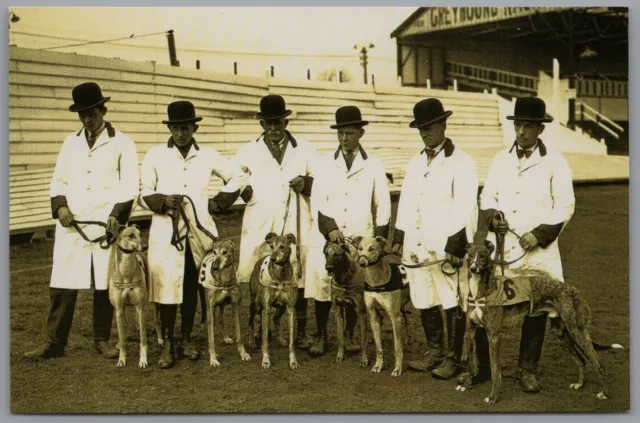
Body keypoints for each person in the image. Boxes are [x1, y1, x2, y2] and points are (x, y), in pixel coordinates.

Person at [24, 82, 139, 360]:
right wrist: (60, 205)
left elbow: (130, 184)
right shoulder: (70, 142)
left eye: (92, 112)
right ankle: (54, 342)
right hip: (71, 226)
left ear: (103, 109)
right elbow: (58, 180)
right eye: (82, 114)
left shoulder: (122, 142)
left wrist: (116, 215)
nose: (88, 119)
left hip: (104, 224)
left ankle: (102, 339)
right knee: (63, 282)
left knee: (104, 283)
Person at [472, 96, 575, 392]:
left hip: (537, 251)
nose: (521, 132)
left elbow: (566, 205)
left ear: (540, 129)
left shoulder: (555, 162)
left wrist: (539, 234)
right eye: (518, 125)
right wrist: (495, 218)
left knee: (535, 308)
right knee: (490, 304)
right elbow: (487, 197)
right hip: (502, 249)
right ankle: (484, 368)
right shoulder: (500, 159)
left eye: (528, 126)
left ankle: (527, 369)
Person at [139, 101, 248, 369]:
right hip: (166, 232)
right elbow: (142, 192)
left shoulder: (208, 155)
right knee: (165, 286)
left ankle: (187, 338)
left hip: (199, 233)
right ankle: (168, 344)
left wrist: (217, 202)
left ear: (193, 127)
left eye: (185, 128)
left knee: (191, 285)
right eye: (175, 128)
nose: (180, 133)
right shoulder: (155, 155)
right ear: (170, 128)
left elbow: (238, 176)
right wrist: (163, 201)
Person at [392, 98, 478, 379]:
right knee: (423, 297)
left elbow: (466, 206)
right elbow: (405, 203)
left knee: (453, 299)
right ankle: (435, 351)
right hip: (417, 244)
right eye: (420, 128)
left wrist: (456, 244)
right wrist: (399, 236)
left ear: (443, 124)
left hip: (445, 246)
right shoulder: (416, 162)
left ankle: (455, 358)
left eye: (429, 126)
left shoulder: (461, 162)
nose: (425, 133)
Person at [234, 94, 319, 349]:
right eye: (268, 123)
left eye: (278, 123)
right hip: (261, 220)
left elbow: (322, 181)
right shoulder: (247, 151)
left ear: (285, 121)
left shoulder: (305, 150)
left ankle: (300, 332)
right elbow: (234, 179)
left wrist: (306, 184)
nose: (273, 129)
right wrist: (245, 192)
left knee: (298, 276)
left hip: (296, 220)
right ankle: (258, 331)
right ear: (261, 124)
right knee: (257, 278)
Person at [306, 105, 391, 357]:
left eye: (350, 133)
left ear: (360, 133)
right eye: (340, 133)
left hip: (359, 237)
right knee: (323, 283)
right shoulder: (324, 164)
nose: (344, 139)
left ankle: (350, 335)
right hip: (328, 238)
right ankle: (321, 335)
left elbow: (383, 204)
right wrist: (329, 228)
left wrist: (378, 239)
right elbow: (317, 200)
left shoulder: (374, 165)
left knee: (354, 285)